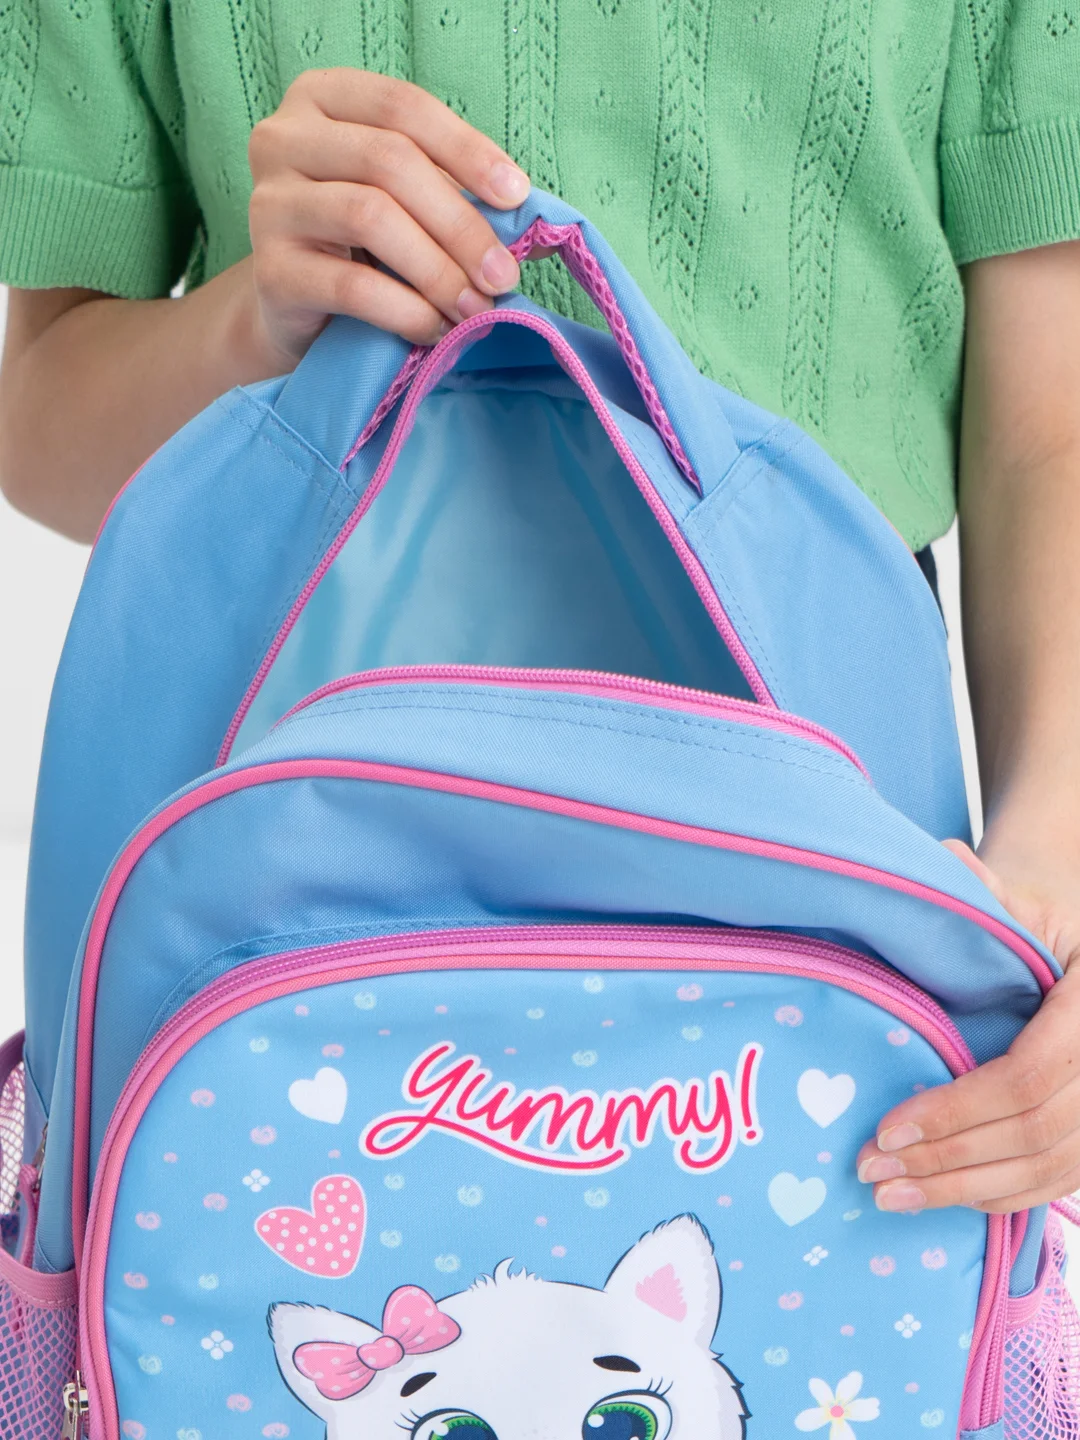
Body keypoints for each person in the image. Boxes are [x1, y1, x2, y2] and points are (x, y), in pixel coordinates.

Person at [0, 5, 1078, 1217]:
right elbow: (40, 414)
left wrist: (1059, 855)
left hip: (820, 749)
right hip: (284, 709)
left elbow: (1050, 430)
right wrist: (254, 320)